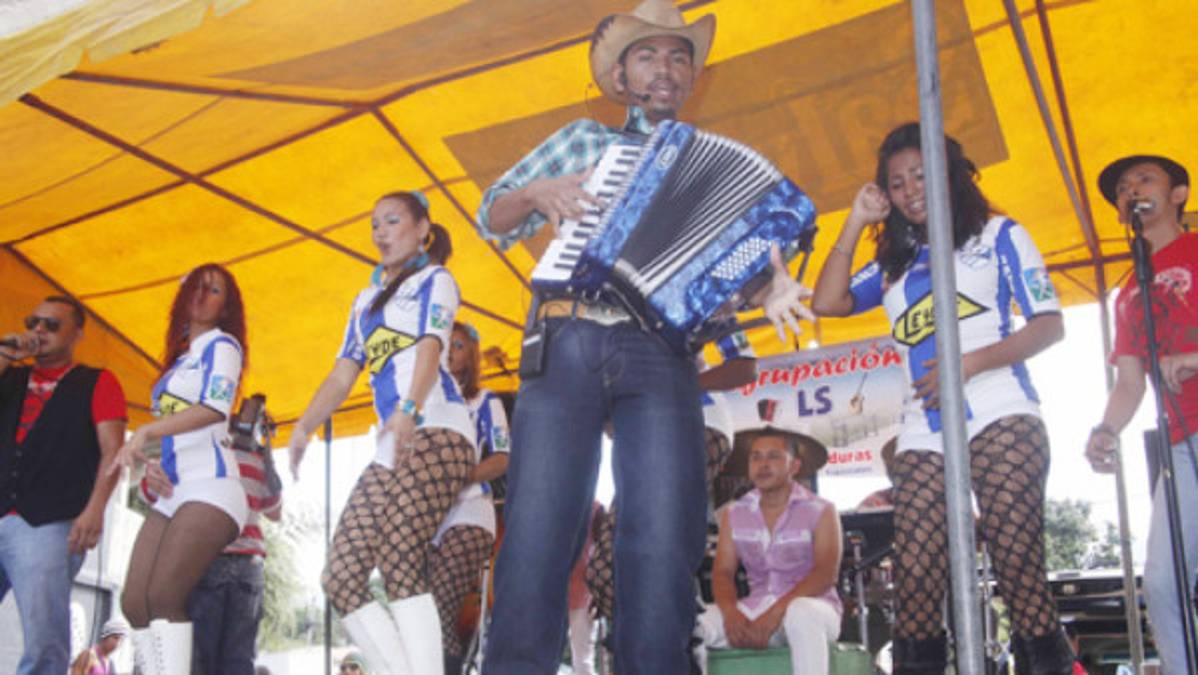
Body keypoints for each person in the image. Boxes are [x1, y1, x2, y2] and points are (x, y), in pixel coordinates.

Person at [811, 122, 1073, 673]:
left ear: (951, 174)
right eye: (898, 183)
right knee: (918, 573)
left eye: (920, 175)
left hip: (1000, 403)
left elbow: (1049, 325)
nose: (910, 191)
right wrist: (859, 219)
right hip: (922, 424)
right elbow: (828, 302)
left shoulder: (1000, 234)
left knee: (1016, 560)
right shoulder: (893, 266)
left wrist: (969, 363)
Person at [288, 190, 474, 675]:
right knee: (342, 576)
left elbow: (433, 345)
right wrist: (304, 426)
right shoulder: (364, 302)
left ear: (422, 230)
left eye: (392, 221)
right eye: (374, 225)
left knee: (398, 555)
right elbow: (341, 375)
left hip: (439, 427)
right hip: (394, 440)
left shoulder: (436, 278)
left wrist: (409, 407)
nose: (380, 232)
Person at [1085, 154, 1196, 675]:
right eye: (1122, 188)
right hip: (1181, 443)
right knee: (1162, 581)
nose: (1130, 188)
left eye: (1144, 178)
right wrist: (1106, 429)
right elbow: (1130, 381)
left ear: (1178, 194)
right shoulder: (1128, 290)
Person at [112, 263, 249, 675]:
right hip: (176, 491)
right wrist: (153, 464)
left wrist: (146, 432)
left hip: (214, 486)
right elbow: (174, 435)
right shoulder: (178, 363)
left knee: (165, 596)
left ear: (227, 308)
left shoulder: (223, 346)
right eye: (196, 287)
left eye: (215, 290)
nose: (202, 295)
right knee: (135, 602)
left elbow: (214, 408)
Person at [0, 295, 127, 675]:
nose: (39, 330)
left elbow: (113, 451)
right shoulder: (10, 374)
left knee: (44, 645)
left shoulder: (97, 381)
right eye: (33, 321)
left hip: (47, 523)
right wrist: (6, 352)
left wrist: (95, 510)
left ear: (78, 334)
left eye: (52, 325)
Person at [138, 415, 283, 675]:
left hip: (206, 558)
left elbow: (150, 495)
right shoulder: (258, 462)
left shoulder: (197, 457)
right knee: (239, 659)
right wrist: (267, 454)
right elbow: (274, 511)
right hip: (249, 563)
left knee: (199, 655)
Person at [695, 428, 842, 675]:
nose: (762, 464)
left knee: (800, 612)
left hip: (815, 612)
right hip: (755, 610)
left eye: (773, 456)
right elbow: (722, 572)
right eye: (756, 457)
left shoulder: (822, 510)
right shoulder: (735, 513)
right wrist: (731, 614)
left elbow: (826, 575)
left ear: (794, 466)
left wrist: (775, 614)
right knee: (692, 625)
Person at [429, 321, 509, 673]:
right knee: (429, 613)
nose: (449, 351)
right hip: (430, 519)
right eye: (445, 343)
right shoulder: (426, 402)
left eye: (458, 345)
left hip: (471, 510)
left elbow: (503, 458)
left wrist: (460, 480)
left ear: (472, 354)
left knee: (441, 602)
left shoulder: (484, 400)